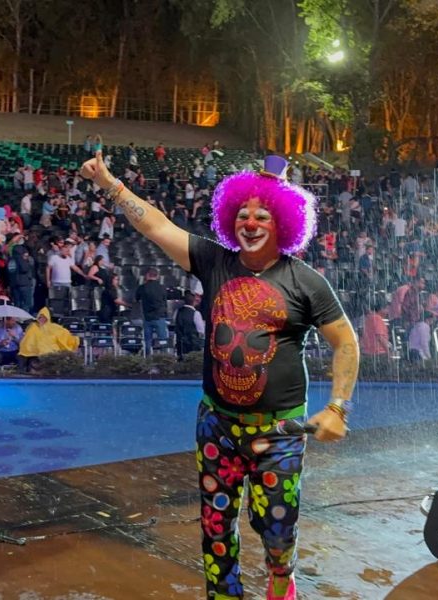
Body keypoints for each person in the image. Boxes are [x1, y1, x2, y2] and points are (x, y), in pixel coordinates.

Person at [81, 151, 358, 600]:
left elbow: (346, 341)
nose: (250, 222)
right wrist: (109, 184)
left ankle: (281, 577)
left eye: (263, 215)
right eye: (243, 213)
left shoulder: (306, 281)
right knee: (215, 524)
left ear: (283, 222)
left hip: (281, 431)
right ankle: (224, 595)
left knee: (277, 527)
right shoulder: (214, 261)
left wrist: (338, 406)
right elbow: (156, 226)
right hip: (217, 426)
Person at [17, 307, 80, 372]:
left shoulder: (54, 327)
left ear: (47, 317)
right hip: (34, 353)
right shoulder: (33, 327)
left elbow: (64, 334)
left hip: (51, 353)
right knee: (22, 356)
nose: (42, 319)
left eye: (44, 317)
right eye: (40, 317)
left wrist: (74, 341)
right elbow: (27, 340)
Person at [135, 268, 168, 354]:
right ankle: (164, 357)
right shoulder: (162, 287)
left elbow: (136, 298)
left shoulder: (142, 288)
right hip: (160, 316)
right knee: (163, 340)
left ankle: (148, 358)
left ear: (147, 275)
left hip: (147, 317)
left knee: (148, 341)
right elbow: (165, 300)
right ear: (157, 276)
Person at [174, 291, 204, 358]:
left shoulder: (177, 312)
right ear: (194, 301)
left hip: (180, 345)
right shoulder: (196, 314)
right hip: (193, 345)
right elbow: (201, 331)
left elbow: (175, 323)